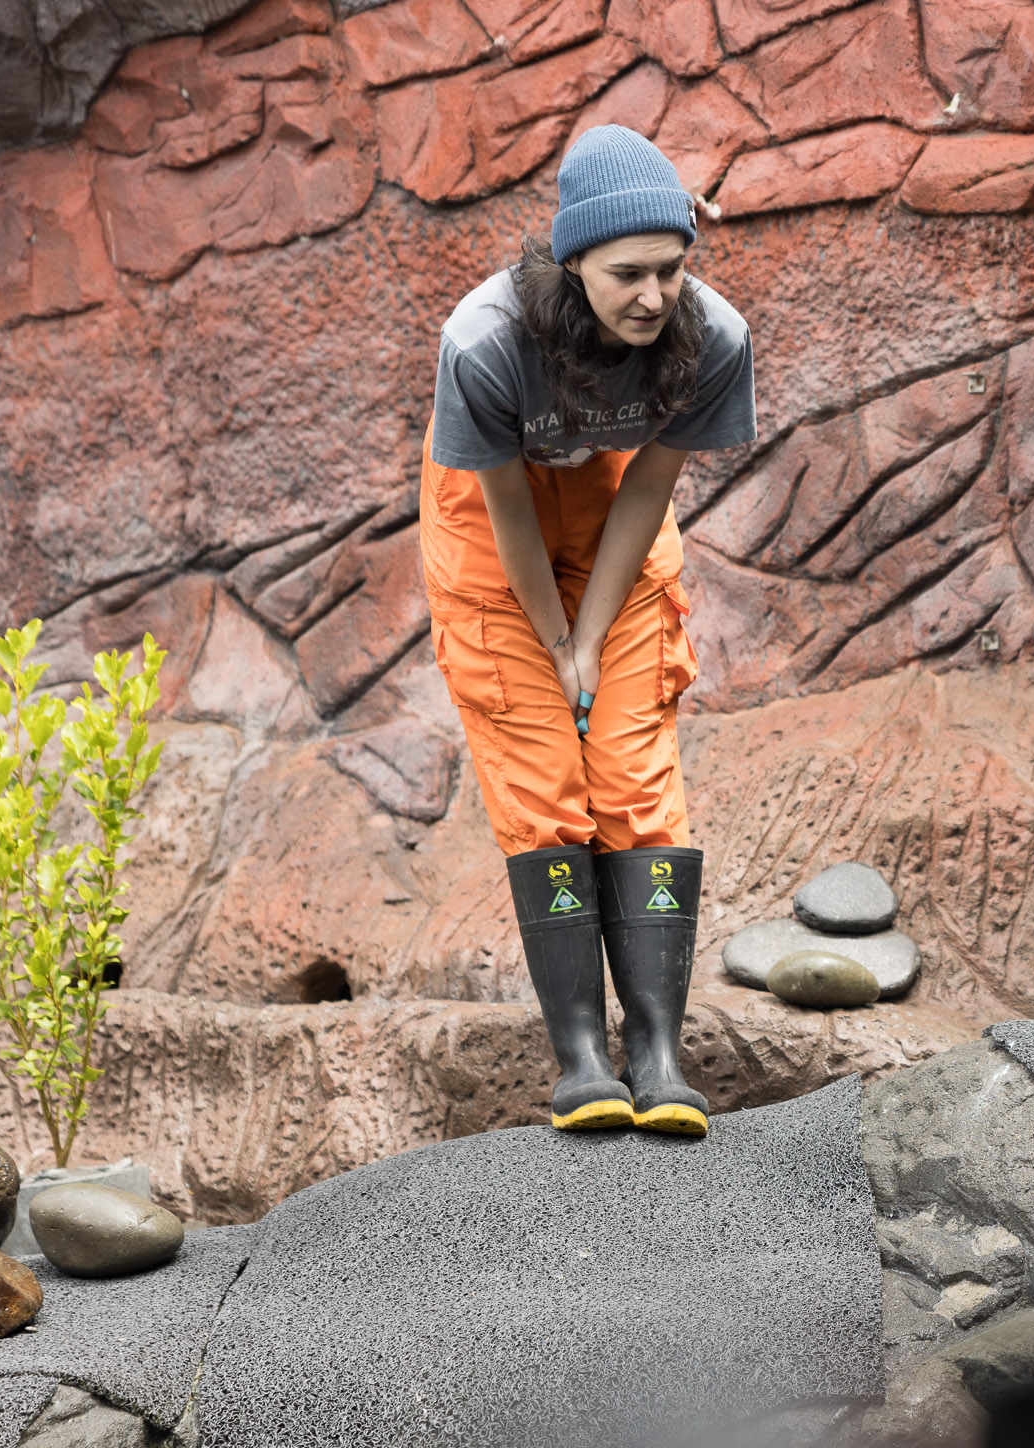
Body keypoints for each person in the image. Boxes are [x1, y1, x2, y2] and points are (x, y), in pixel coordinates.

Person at [419, 125, 754, 1136]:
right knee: (542, 783)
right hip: (494, 530)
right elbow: (509, 513)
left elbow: (653, 482)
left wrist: (596, 634)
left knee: (633, 775)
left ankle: (656, 1052)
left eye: (671, 268)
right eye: (627, 273)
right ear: (573, 261)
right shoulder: (483, 341)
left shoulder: (713, 337)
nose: (653, 295)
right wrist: (554, 641)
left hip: (620, 522)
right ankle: (581, 1060)